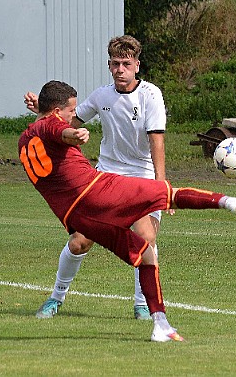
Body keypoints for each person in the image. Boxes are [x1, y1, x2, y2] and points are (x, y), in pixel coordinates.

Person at [18, 80, 236, 342]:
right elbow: (60, 130)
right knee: (167, 194)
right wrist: (75, 135)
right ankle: (231, 202)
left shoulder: (25, 139)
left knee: (144, 254)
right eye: (71, 111)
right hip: (98, 191)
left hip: (78, 217)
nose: (74, 117)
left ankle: (160, 324)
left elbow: (47, 127)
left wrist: (47, 115)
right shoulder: (56, 125)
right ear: (56, 112)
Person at [24, 35, 167, 321]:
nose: (120, 70)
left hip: (141, 177)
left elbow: (157, 143)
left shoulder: (151, 95)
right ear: (109, 65)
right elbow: (67, 123)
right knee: (80, 241)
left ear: (137, 66)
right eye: (115, 64)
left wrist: (161, 186)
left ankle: (142, 305)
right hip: (104, 178)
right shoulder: (101, 96)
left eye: (126, 64)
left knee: (146, 237)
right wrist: (43, 111)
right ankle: (56, 298)